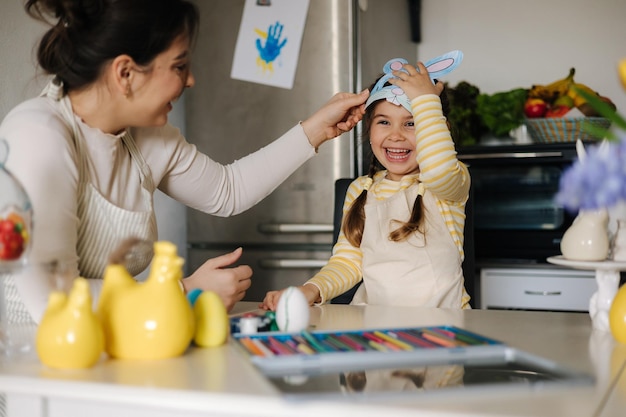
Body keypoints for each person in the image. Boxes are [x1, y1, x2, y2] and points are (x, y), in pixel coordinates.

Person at [0, 0, 368, 324]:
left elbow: (228, 191)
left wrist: (317, 129)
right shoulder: (38, 135)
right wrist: (184, 291)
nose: (190, 81)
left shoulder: (144, 135)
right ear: (125, 74)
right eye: (179, 66)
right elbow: (54, 301)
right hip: (42, 380)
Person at [261, 58, 471, 310]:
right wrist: (312, 289)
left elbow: (438, 167)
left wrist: (426, 102)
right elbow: (349, 261)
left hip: (443, 329)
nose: (396, 135)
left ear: (437, 128)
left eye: (411, 123)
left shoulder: (450, 183)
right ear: (369, 129)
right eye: (384, 122)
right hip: (374, 326)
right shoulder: (360, 190)